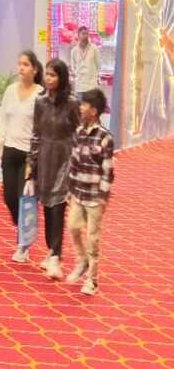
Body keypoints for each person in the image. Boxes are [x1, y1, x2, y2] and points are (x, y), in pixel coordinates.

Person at [0, 51, 44, 262]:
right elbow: (3, 118)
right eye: (20, 64)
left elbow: (41, 127)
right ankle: (23, 226)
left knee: (24, 198)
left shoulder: (40, 94)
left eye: (26, 64)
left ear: (34, 69)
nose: (21, 68)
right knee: (9, 197)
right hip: (10, 150)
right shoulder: (11, 91)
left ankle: (23, 245)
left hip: (29, 154)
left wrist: (37, 156)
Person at [27, 59, 80, 280]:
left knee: (58, 207)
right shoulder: (40, 102)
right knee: (47, 207)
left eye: (54, 75)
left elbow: (78, 133)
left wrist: (77, 162)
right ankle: (51, 250)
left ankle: (57, 257)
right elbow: (36, 133)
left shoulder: (72, 103)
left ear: (62, 77)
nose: (49, 79)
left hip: (64, 159)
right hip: (45, 158)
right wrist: (31, 162)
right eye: (47, 74)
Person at [66, 88, 115, 295]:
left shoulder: (105, 137)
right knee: (73, 227)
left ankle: (92, 280)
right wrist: (70, 189)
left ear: (93, 111)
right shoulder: (78, 132)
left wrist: (104, 197)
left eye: (84, 105)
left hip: (95, 197)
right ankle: (82, 260)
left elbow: (108, 170)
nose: (80, 107)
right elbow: (74, 163)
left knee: (93, 239)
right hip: (78, 192)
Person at [70, 26, 101, 94]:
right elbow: (73, 66)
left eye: (87, 34)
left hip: (92, 85)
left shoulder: (94, 48)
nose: (86, 36)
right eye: (83, 34)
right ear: (78, 35)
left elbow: (99, 65)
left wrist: (96, 77)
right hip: (79, 85)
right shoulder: (74, 51)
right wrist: (77, 74)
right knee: (80, 101)